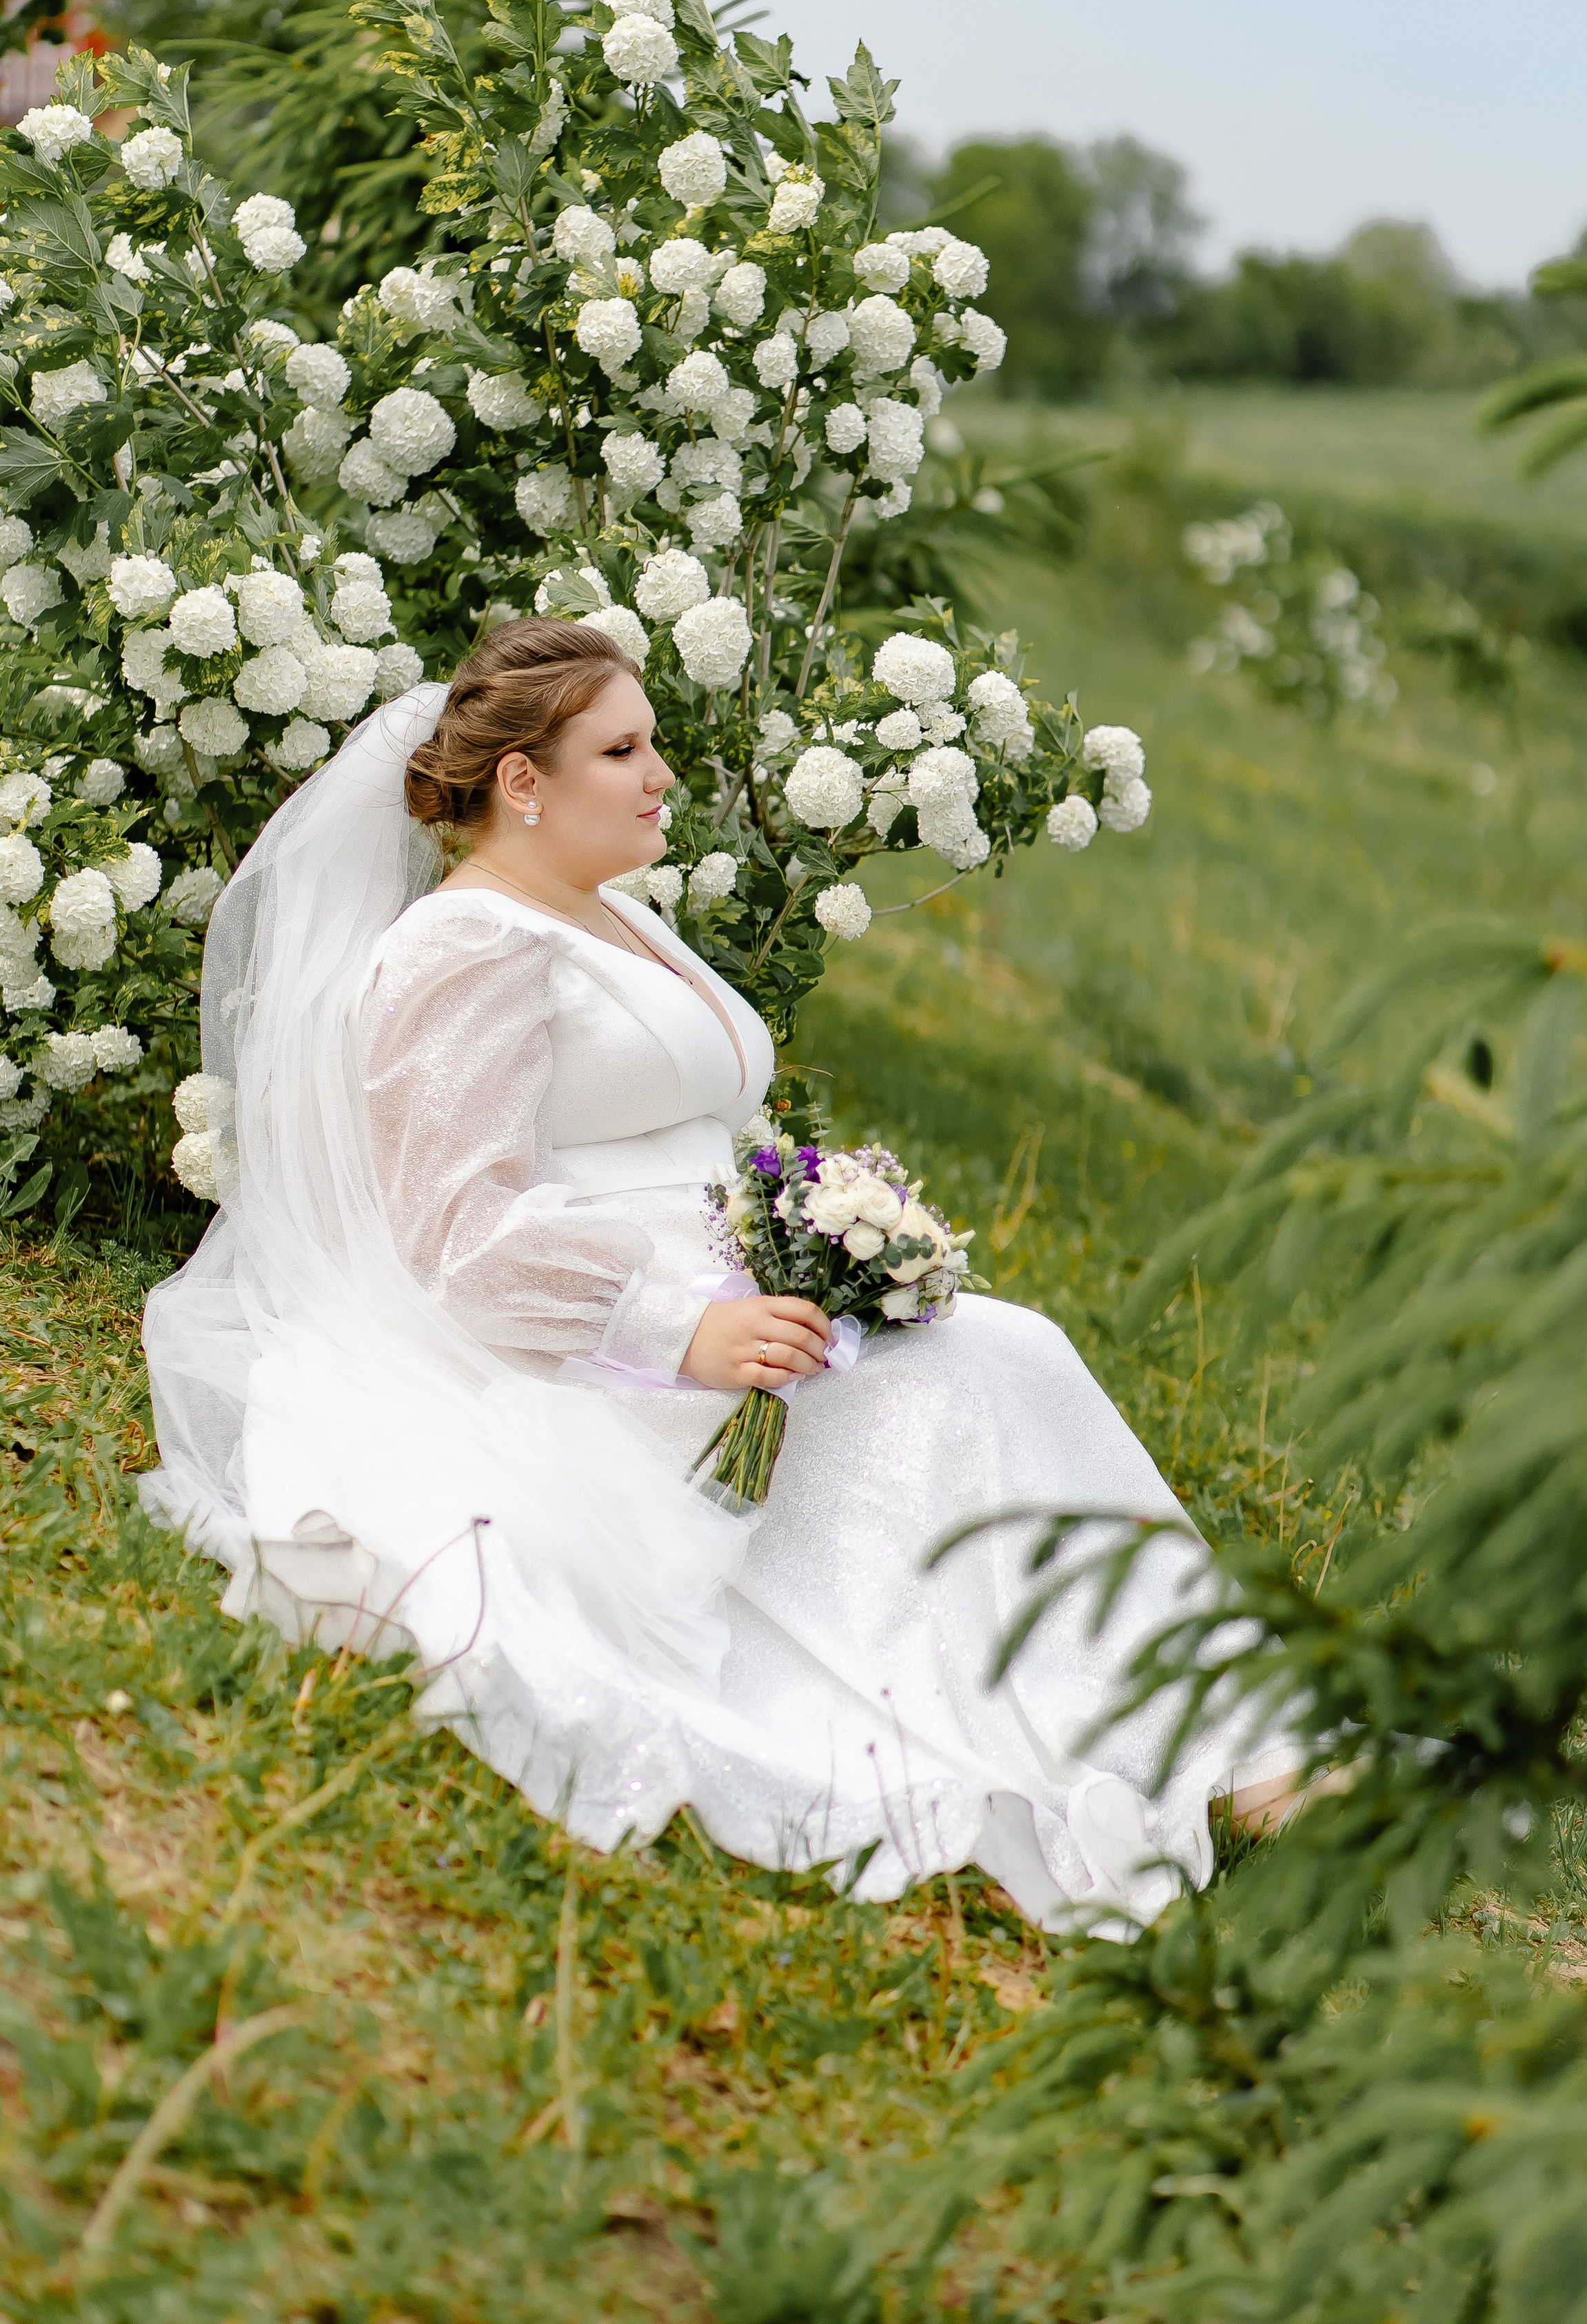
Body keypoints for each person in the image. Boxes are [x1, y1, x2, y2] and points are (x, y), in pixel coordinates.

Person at [142, 620, 1304, 1930]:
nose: (661, 777)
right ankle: (1210, 1748)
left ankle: (1220, 1726)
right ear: (522, 783)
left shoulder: (607, 917)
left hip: (754, 1295)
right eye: (622, 750)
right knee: (997, 1370)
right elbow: (457, 1228)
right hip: (612, 1346)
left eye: (654, 745)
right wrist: (677, 1327)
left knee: (1010, 1354)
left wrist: (836, 1230)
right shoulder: (464, 949)